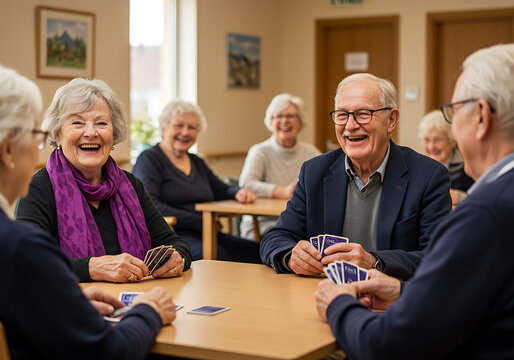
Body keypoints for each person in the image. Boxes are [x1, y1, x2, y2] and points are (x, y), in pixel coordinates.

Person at [315, 44, 514, 359]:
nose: (351, 124)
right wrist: (401, 292)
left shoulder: (486, 213)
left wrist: (338, 303)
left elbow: (391, 346)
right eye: (343, 114)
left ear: (480, 117)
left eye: (453, 110)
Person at [0, 65, 175, 359]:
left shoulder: (129, 184)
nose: (37, 148)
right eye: (35, 136)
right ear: (8, 151)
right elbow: (112, 352)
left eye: (101, 123)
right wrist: (148, 311)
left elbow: (32, 294)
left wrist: (70, 295)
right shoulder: (20, 244)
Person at [260, 73, 452, 280]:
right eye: (342, 115)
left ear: (391, 120)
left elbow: (439, 257)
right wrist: (290, 256)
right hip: (321, 297)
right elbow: (275, 237)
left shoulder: (428, 176)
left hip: (393, 303)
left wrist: (374, 262)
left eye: (363, 113)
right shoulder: (314, 172)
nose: (350, 126)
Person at [16, 78, 192, 283]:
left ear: (114, 133)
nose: (91, 133)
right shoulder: (36, 188)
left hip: (134, 301)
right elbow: (27, 261)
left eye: (101, 123)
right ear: (57, 133)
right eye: (77, 123)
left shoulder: (130, 184)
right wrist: (91, 267)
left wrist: (177, 258)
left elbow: (175, 244)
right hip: (69, 306)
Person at [132, 99, 261, 263]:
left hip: (205, 231)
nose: (185, 132)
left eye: (191, 127)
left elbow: (220, 189)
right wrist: (198, 221)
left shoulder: (196, 161)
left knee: (256, 251)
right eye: (179, 125)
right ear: (164, 128)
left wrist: (239, 192)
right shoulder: (149, 159)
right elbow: (150, 205)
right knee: (219, 256)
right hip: (170, 235)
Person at [239, 93, 321, 240]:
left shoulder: (311, 152)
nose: (284, 121)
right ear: (270, 121)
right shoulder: (260, 151)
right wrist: (281, 191)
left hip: (301, 226)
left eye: (290, 116)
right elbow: (246, 184)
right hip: (263, 226)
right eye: (278, 116)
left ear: (300, 121)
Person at [419, 109, 474, 206]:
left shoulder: (468, 167)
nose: (431, 147)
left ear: (452, 141)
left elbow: (485, 199)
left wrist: (461, 197)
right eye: (427, 140)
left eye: (437, 140)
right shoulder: (418, 167)